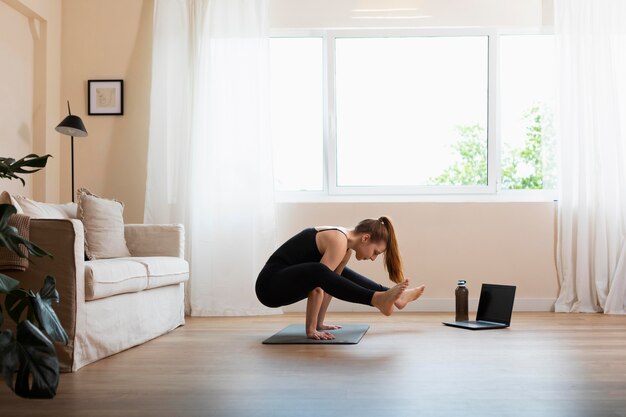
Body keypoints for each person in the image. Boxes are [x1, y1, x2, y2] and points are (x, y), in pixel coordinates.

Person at [255, 216, 426, 340]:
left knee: (336, 273)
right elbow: (317, 288)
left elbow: (330, 287)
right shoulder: (339, 240)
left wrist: (320, 324)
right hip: (270, 286)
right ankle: (377, 299)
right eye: (375, 252)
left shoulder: (345, 250)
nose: (373, 258)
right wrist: (311, 330)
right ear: (365, 238)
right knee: (319, 271)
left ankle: (391, 297)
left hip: (284, 283)